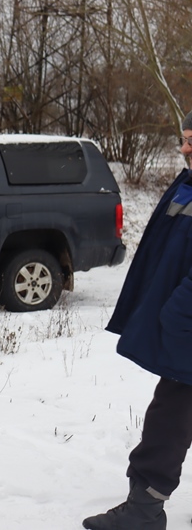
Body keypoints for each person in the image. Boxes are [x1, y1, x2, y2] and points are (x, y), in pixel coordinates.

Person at [82, 113, 192, 530]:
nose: (184, 149)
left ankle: (144, 509)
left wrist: (178, 314)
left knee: (170, 415)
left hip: (186, 324)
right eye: (183, 140)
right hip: (181, 319)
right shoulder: (187, 183)